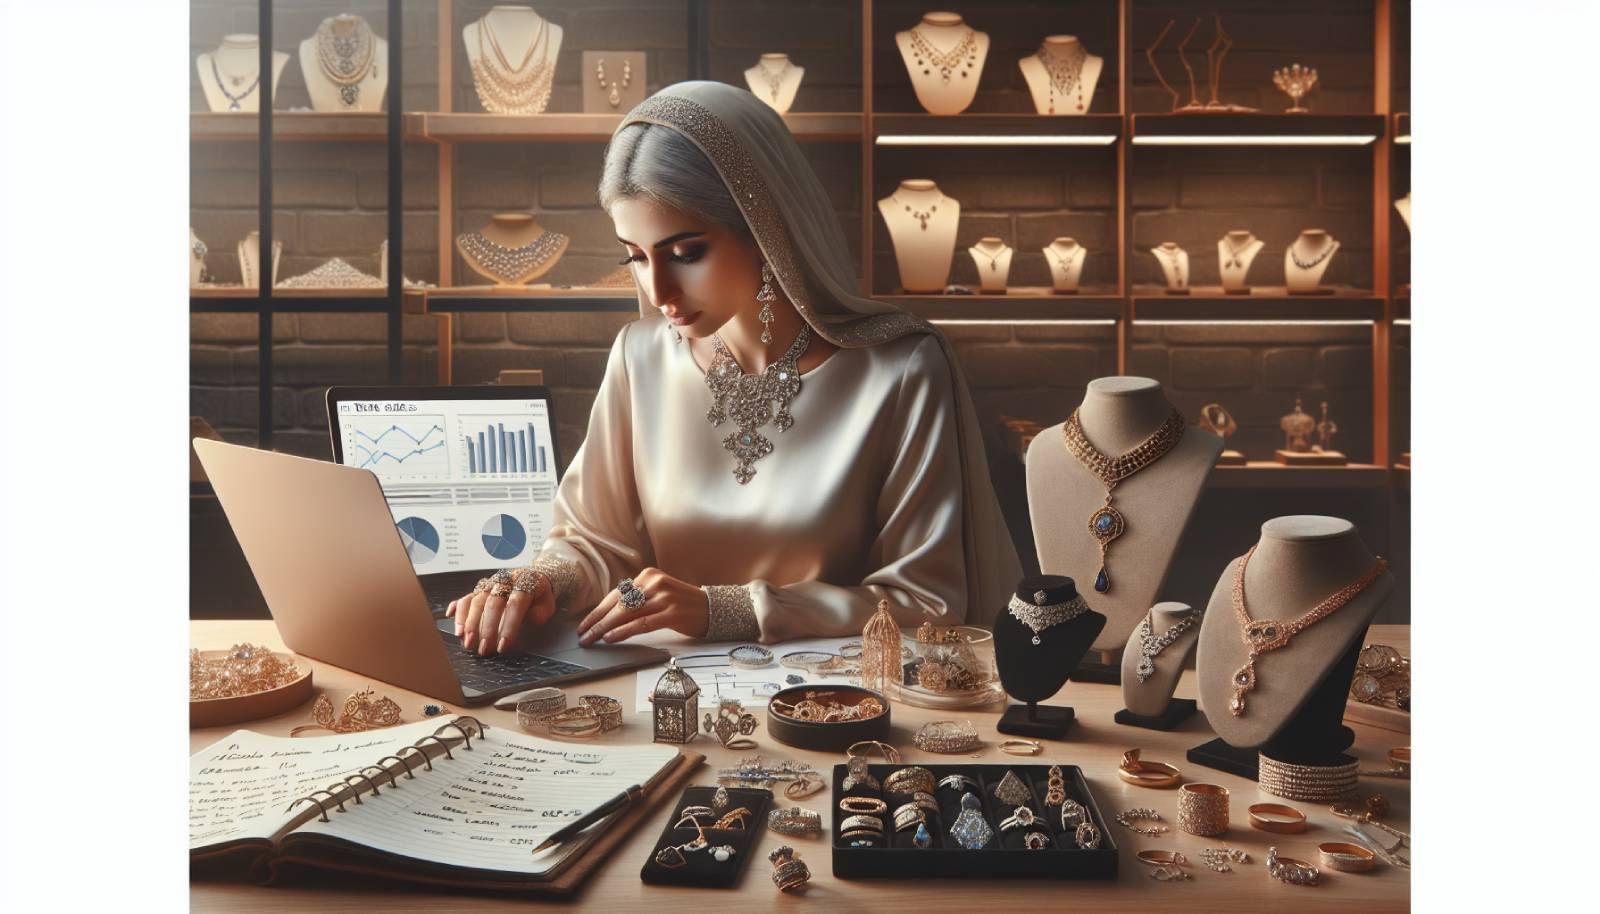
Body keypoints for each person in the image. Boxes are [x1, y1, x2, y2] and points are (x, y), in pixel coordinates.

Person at [449, 81, 1020, 655]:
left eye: (686, 253)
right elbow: (595, 540)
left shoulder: (899, 370)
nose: (659, 289)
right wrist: (539, 581)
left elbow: (929, 601)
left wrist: (729, 609)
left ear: (764, 228)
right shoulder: (639, 357)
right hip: (664, 690)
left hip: (835, 703)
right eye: (636, 257)